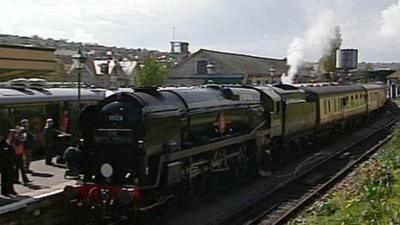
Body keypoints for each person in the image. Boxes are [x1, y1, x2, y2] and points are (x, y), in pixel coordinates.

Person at [0, 130, 17, 196]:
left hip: (10, 163)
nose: (10, 136)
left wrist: (14, 162)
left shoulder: (11, 143)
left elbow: (13, 153)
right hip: (4, 164)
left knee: (11, 177)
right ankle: (4, 192)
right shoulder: (2, 144)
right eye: (10, 135)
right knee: (5, 178)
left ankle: (11, 190)